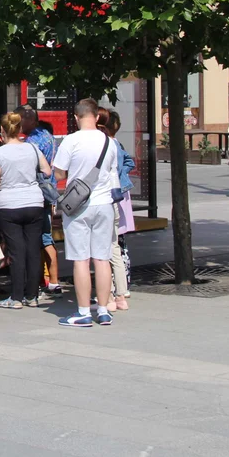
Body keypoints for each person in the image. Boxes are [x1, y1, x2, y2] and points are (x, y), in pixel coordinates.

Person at [52, 99, 119, 327]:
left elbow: (59, 174)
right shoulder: (109, 142)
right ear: (97, 116)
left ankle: (82, 312)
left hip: (78, 206)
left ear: (76, 117)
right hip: (104, 204)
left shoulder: (71, 141)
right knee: (102, 258)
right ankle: (103, 310)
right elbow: (112, 173)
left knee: (80, 259)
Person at [0, 112, 52, 309]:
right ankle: (32, 296)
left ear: (2, 130)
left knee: (16, 252)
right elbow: (48, 171)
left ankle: (16, 297)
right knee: (34, 250)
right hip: (34, 202)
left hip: (9, 205)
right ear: (18, 129)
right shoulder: (32, 148)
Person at [23, 108, 62, 295]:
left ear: (30, 119)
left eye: (21, 120)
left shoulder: (33, 140)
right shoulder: (47, 135)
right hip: (48, 190)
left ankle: (50, 280)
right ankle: (52, 280)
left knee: (43, 237)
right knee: (45, 236)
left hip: (38, 191)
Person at [106, 110, 135, 312]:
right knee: (117, 245)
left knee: (110, 246)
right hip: (119, 195)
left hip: (110, 197)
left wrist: (119, 177)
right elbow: (129, 162)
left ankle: (111, 292)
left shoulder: (109, 145)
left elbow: (127, 163)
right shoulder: (116, 144)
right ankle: (121, 292)